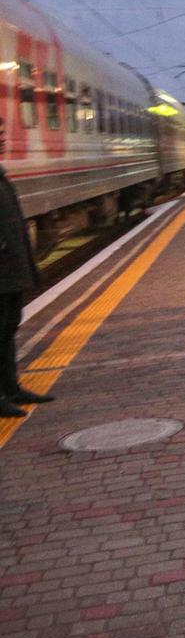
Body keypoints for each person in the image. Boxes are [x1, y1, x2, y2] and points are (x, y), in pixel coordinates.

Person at [0, 116, 54, 418]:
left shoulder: (1, 175)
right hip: (3, 269)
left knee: (8, 330)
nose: (3, 138)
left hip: (10, 271)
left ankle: (12, 388)